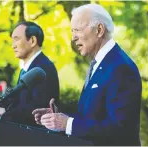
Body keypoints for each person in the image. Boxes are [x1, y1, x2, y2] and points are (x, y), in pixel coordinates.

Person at [32, 4, 142, 146]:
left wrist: (68, 124)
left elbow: (119, 129)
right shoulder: (100, 63)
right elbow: (93, 116)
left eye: (77, 30)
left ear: (99, 30)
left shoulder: (121, 67)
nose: (73, 38)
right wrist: (59, 117)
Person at [0, 21, 60, 126]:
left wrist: (5, 112)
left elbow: (37, 110)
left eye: (16, 39)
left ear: (32, 40)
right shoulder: (27, 69)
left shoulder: (43, 69)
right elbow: (11, 101)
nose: (13, 46)